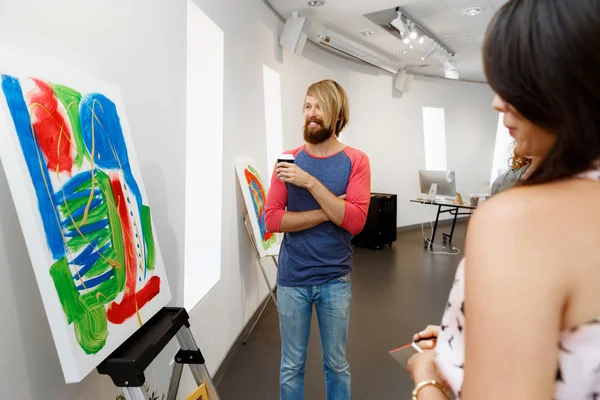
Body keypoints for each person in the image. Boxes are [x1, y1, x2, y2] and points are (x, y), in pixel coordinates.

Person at [407, 1, 600, 399]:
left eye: (514, 82)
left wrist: (426, 378)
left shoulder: (519, 221)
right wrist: (460, 339)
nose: (498, 102)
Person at [265, 79, 371, 400]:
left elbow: (355, 222)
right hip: (292, 279)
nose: (311, 114)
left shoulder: (356, 160)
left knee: (336, 365)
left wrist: (309, 182)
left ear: (337, 115)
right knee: (291, 366)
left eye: (319, 107)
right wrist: (331, 210)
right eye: (307, 106)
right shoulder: (288, 159)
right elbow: (272, 219)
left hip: (334, 280)